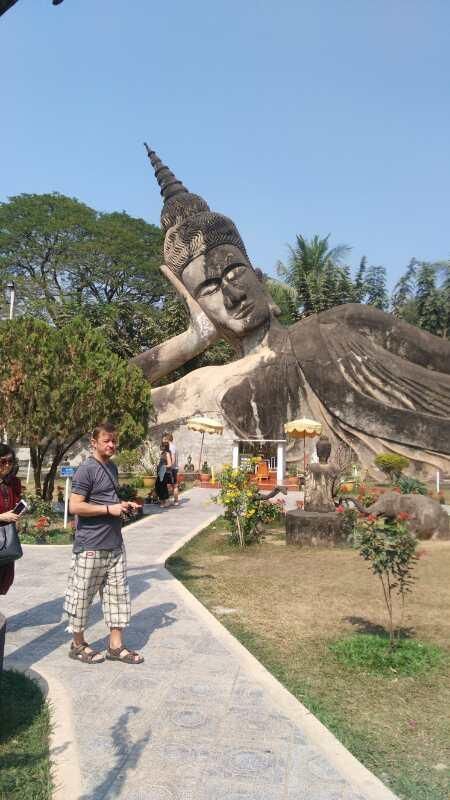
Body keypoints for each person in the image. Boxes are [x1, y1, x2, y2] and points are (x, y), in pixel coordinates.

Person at [132, 147, 450, 477]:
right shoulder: (205, 382)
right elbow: (102, 399)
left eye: (235, 273)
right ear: (198, 303)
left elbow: (440, 357)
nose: (232, 294)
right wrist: (192, 339)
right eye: (209, 289)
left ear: (258, 277)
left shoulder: (340, 323)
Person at [63, 422, 144, 665]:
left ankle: (115, 646)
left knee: (118, 596)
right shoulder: (86, 469)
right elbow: (74, 506)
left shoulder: (112, 467)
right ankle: (78, 644)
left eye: (114, 440)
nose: (111, 444)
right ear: (94, 442)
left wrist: (123, 506)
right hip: (90, 546)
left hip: (115, 545)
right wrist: (110, 509)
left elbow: (107, 500)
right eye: (106, 440)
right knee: (82, 597)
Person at [0, 444, 21, 596]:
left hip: (7, 537)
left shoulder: (13, 482)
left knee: (5, 577)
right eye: (2, 461)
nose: (7, 465)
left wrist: (19, 512)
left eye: (10, 461)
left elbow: (16, 502)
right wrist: (2, 516)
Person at [163, 432, 179, 505]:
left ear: (167, 439)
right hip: (175, 468)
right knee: (174, 485)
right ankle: (176, 501)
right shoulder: (175, 447)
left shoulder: (171, 447)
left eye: (165, 439)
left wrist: (169, 466)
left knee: (168, 485)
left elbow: (173, 459)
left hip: (171, 469)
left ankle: (168, 501)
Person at [154, 441, 172, 508]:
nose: (161, 447)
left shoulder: (167, 454)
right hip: (160, 472)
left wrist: (164, 466)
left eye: (162, 446)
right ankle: (162, 501)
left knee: (162, 487)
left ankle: (166, 501)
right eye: (161, 446)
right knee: (158, 486)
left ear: (165, 447)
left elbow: (170, 464)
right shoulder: (162, 453)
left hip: (164, 472)